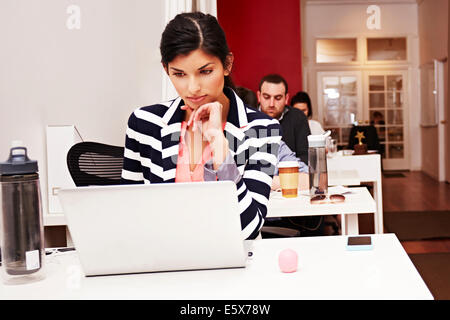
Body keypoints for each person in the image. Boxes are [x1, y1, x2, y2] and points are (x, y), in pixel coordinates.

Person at [121, 12, 282, 240]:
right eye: (179, 74)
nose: (193, 87)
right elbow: (128, 215)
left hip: (233, 264)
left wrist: (220, 147)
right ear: (166, 69)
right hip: (163, 261)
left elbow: (248, 229)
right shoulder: (145, 123)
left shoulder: (262, 129)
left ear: (227, 65)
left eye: (205, 72)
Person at [257, 74, 311, 165]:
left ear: (286, 98)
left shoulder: (298, 117)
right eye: (266, 97)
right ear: (259, 96)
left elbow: (305, 156)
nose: (271, 104)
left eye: (278, 98)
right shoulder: (247, 117)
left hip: (289, 176)